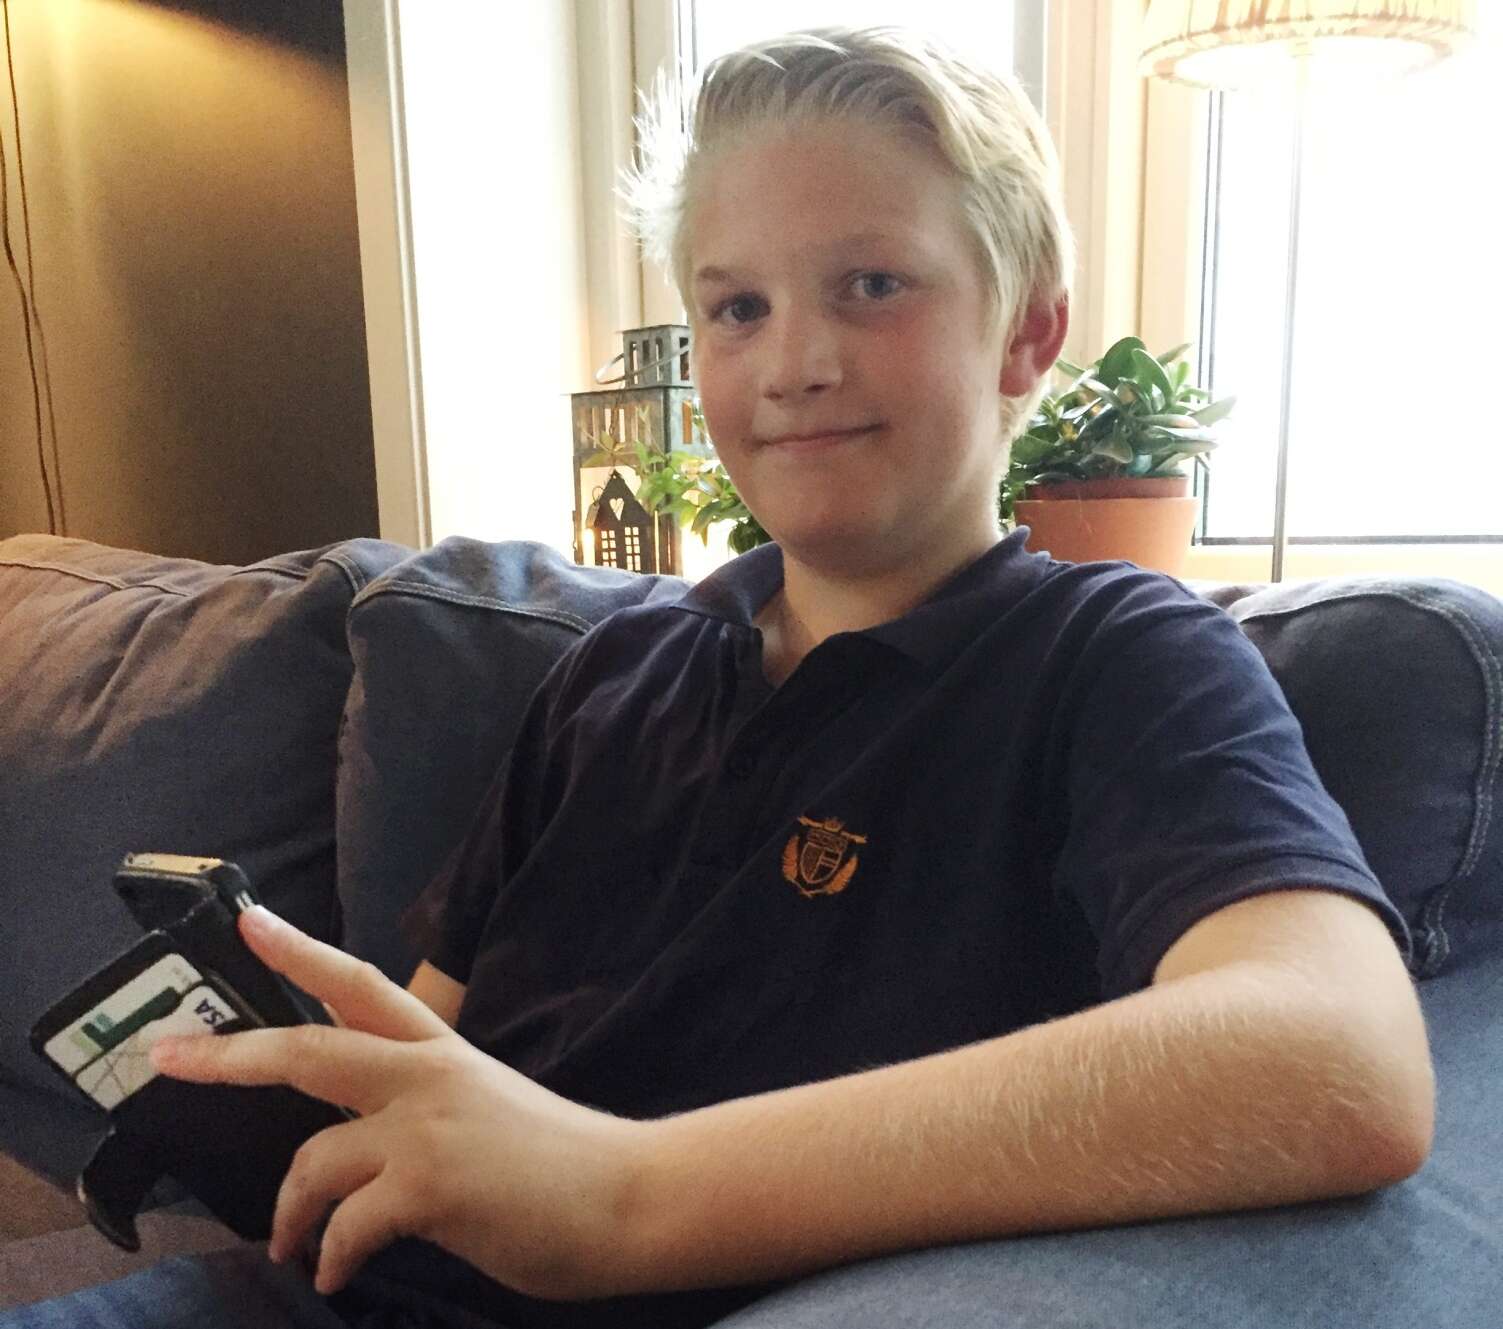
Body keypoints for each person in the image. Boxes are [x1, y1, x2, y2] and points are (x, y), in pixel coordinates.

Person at [7, 26, 1433, 1329]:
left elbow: (1341, 1056)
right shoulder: (613, 675)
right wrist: (285, 1103)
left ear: (1026, 335)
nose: (793, 362)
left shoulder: (1116, 659)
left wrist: (619, 1195)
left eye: (871, 285)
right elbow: (434, 1044)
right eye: (738, 305)